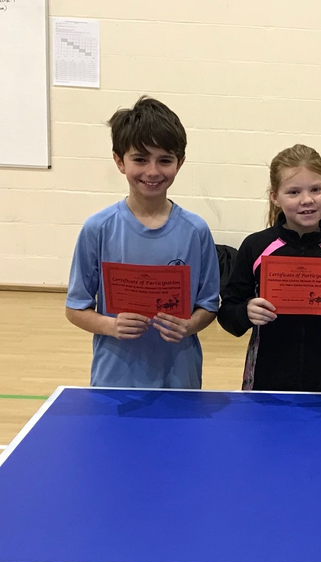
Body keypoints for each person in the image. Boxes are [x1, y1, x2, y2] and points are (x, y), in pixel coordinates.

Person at [65, 96, 219, 388]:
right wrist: (110, 325)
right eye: (140, 159)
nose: (152, 171)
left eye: (164, 160)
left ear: (180, 163)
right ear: (119, 161)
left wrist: (189, 325)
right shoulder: (98, 228)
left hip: (179, 376)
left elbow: (209, 305)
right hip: (115, 376)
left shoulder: (196, 230)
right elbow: (75, 308)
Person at [218, 144, 321, 392]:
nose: (307, 200)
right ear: (275, 197)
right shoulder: (256, 247)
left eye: (315, 189)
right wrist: (246, 312)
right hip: (265, 382)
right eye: (293, 192)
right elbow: (228, 316)